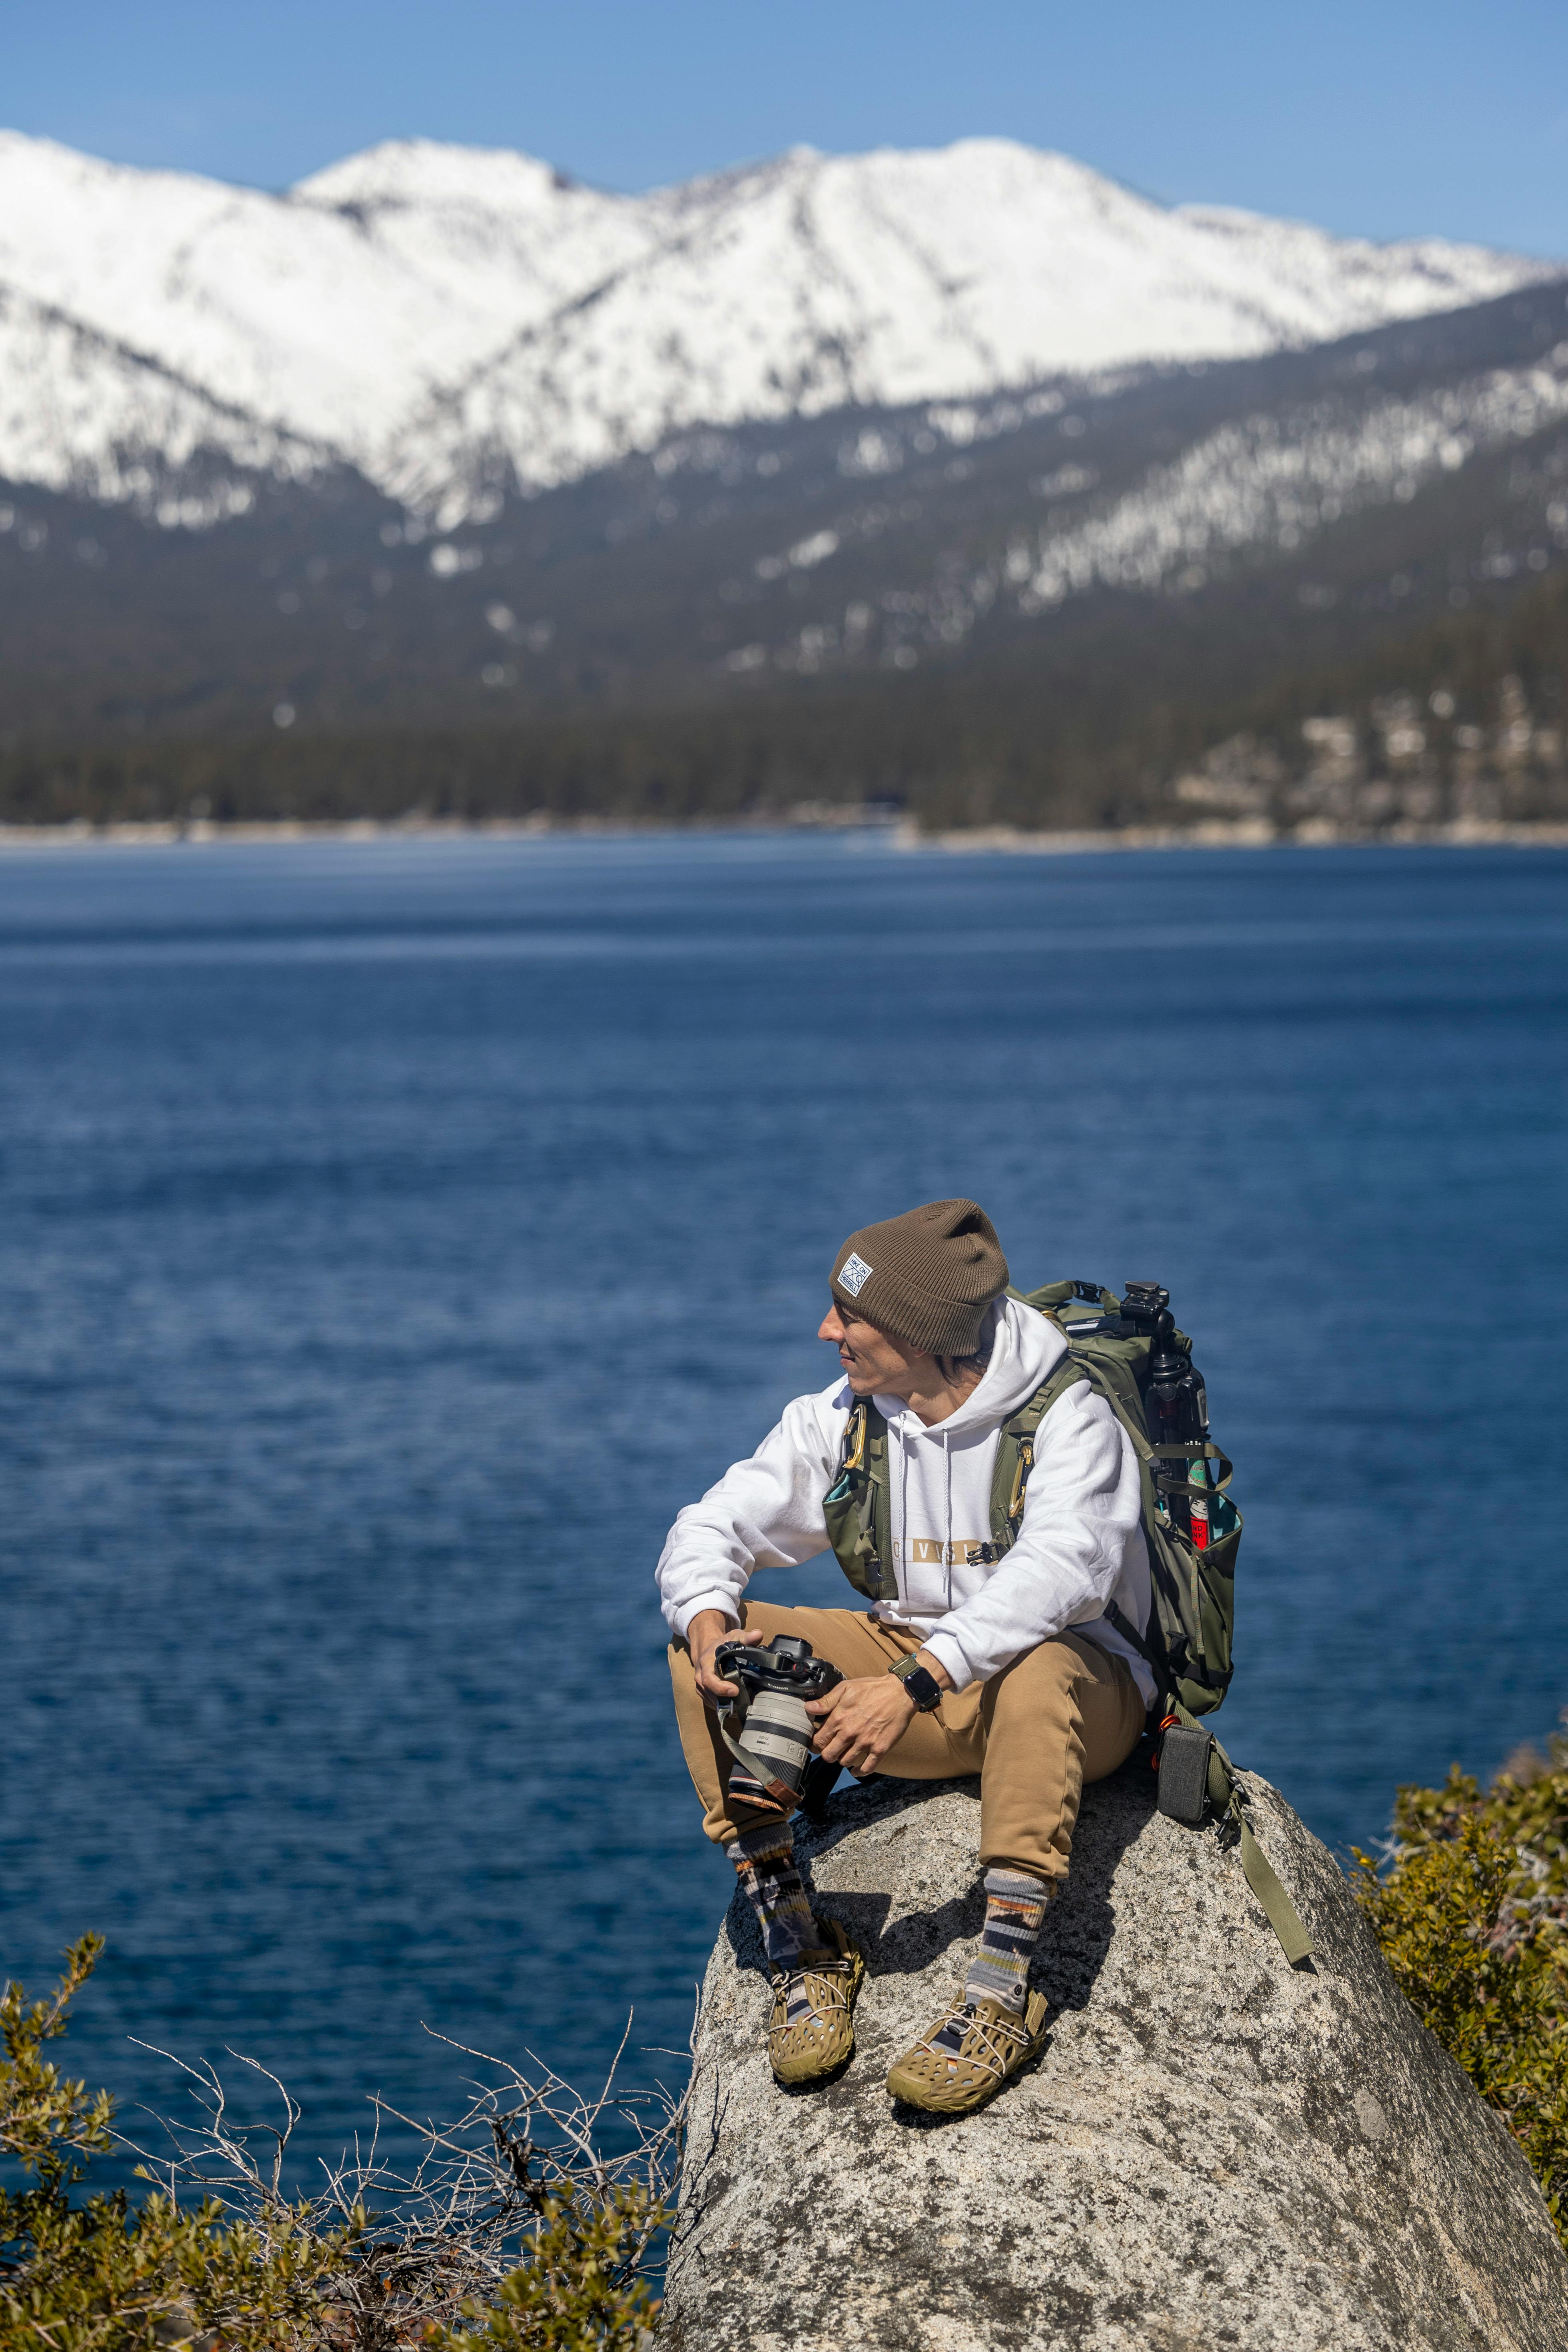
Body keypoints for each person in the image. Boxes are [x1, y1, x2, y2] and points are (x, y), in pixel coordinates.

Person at [658, 1198, 1153, 2115]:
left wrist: (912, 1682)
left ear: (923, 1334)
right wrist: (706, 1619)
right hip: (915, 1672)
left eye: (850, 1317)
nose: (825, 1330)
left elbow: (1065, 1575)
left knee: (1039, 1663)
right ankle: (801, 1942)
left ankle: (1003, 1989)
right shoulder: (846, 1417)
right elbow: (713, 1523)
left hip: (1075, 1686)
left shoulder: (1069, 1420)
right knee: (722, 1648)